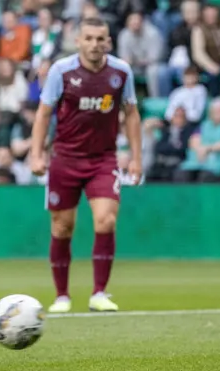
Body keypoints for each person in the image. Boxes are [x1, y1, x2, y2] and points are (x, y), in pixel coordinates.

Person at [29, 17, 142, 314]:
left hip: (104, 159)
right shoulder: (61, 71)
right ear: (78, 41)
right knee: (62, 226)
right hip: (65, 159)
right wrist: (36, 154)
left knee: (106, 220)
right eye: (89, 38)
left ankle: (100, 293)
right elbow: (43, 114)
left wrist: (136, 157)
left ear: (108, 41)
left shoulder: (121, 71)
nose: (94, 44)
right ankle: (62, 296)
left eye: (100, 39)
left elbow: (131, 114)